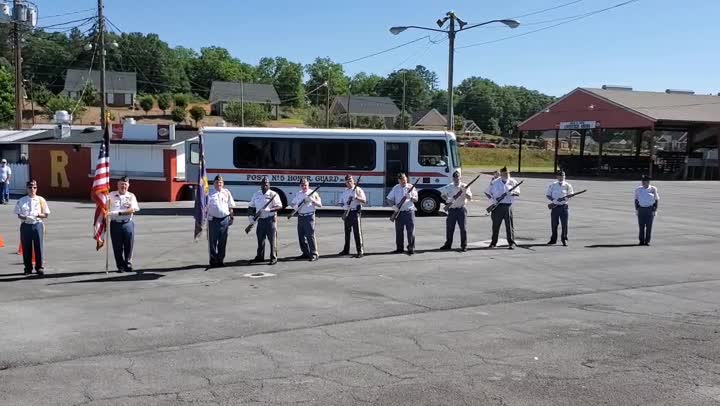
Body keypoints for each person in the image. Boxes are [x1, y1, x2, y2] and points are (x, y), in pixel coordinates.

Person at [14, 180, 50, 276]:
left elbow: (46, 214)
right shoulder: (21, 200)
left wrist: (38, 214)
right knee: (26, 247)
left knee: (39, 247)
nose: (32, 189)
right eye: (30, 187)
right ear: (27, 188)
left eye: (34, 187)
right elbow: (19, 214)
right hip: (26, 225)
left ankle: (39, 267)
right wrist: (25, 217)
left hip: (37, 225)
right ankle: (28, 268)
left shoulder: (41, 200)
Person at [108, 176, 140, 273]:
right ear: (117, 185)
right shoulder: (111, 195)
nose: (123, 186)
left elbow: (132, 209)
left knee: (129, 245)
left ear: (128, 185)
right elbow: (105, 208)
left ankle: (128, 264)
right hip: (115, 224)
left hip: (127, 223)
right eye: (121, 184)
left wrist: (118, 213)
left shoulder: (131, 196)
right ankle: (120, 266)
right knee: (117, 246)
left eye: (125, 184)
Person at [249, 177, 283, 265]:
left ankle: (273, 257)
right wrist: (251, 216)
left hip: (270, 220)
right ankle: (260, 257)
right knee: (260, 240)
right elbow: (251, 206)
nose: (265, 186)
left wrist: (269, 210)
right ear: (261, 185)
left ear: (269, 185)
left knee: (272, 240)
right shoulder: (256, 194)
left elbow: (279, 206)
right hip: (260, 220)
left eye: (267, 184)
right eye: (263, 184)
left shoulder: (273, 194)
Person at [290, 177, 322, 262]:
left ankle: (314, 254)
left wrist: (312, 200)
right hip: (300, 216)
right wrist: (296, 207)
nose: (304, 187)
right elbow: (292, 203)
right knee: (301, 236)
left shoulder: (312, 193)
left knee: (310, 235)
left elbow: (320, 205)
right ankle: (305, 253)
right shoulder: (298, 194)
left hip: (309, 216)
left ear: (308, 185)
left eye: (306, 185)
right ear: (300, 185)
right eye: (302, 185)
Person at [207, 175, 236, 267]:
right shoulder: (209, 193)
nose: (219, 184)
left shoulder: (226, 192)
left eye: (220, 182)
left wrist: (231, 217)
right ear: (213, 183)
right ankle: (213, 260)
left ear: (223, 183)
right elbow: (204, 207)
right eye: (217, 182)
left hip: (224, 219)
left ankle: (220, 260)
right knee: (213, 242)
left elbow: (230, 205)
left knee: (223, 241)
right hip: (213, 220)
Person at [439, 170, 472, 251]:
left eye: (458, 178)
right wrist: (447, 199)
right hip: (452, 210)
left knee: (463, 228)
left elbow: (470, 198)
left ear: (460, 178)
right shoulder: (450, 186)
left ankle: (464, 245)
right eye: (455, 178)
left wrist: (464, 192)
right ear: (453, 178)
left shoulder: (465, 186)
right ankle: (448, 244)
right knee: (450, 228)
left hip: (461, 209)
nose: (456, 180)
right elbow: (442, 194)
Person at [488, 167, 520, 249]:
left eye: (508, 173)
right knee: (495, 226)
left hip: (507, 205)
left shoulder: (513, 181)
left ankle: (511, 242)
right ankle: (493, 243)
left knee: (509, 225)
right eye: (505, 174)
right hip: (497, 206)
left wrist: (511, 193)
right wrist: (493, 201)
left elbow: (518, 192)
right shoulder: (495, 182)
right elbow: (488, 192)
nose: (507, 175)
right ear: (501, 174)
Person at [386, 173, 418, 255]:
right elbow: (388, 199)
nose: (403, 181)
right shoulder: (396, 188)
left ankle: (411, 248)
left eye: (404, 179)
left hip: (409, 212)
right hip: (399, 212)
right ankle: (399, 248)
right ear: (398, 180)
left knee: (410, 231)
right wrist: (393, 206)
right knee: (399, 231)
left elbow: (416, 199)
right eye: (401, 180)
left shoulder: (411, 187)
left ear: (406, 179)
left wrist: (410, 197)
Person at [339, 174, 367, 258]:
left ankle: (360, 251)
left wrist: (356, 198)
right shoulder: (345, 191)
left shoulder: (358, 190)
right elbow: (340, 203)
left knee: (357, 233)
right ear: (345, 182)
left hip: (355, 212)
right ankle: (346, 250)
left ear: (353, 181)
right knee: (347, 233)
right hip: (347, 212)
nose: (349, 182)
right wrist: (346, 206)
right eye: (347, 181)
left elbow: (364, 201)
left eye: (350, 180)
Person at [546, 170, 574, 246]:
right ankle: (553, 239)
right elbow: (548, 195)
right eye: (560, 176)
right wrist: (553, 200)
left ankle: (564, 239)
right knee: (554, 224)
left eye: (563, 176)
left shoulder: (568, 185)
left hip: (564, 207)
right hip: (555, 207)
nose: (562, 177)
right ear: (557, 176)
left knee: (564, 224)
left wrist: (564, 199)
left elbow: (570, 195)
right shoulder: (552, 185)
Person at [635, 175, 659, 246]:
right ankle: (641, 241)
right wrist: (637, 209)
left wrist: (655, 210)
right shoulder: (638, 189)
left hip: (650, 209)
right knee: (641, 226)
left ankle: (647, 241)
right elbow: (636, 200)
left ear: (648, 182)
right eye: (642, 181)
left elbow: (656, 200)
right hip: (641, 209)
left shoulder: (653, 189)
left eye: (645, 181)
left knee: (649, 226)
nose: (643, 182)